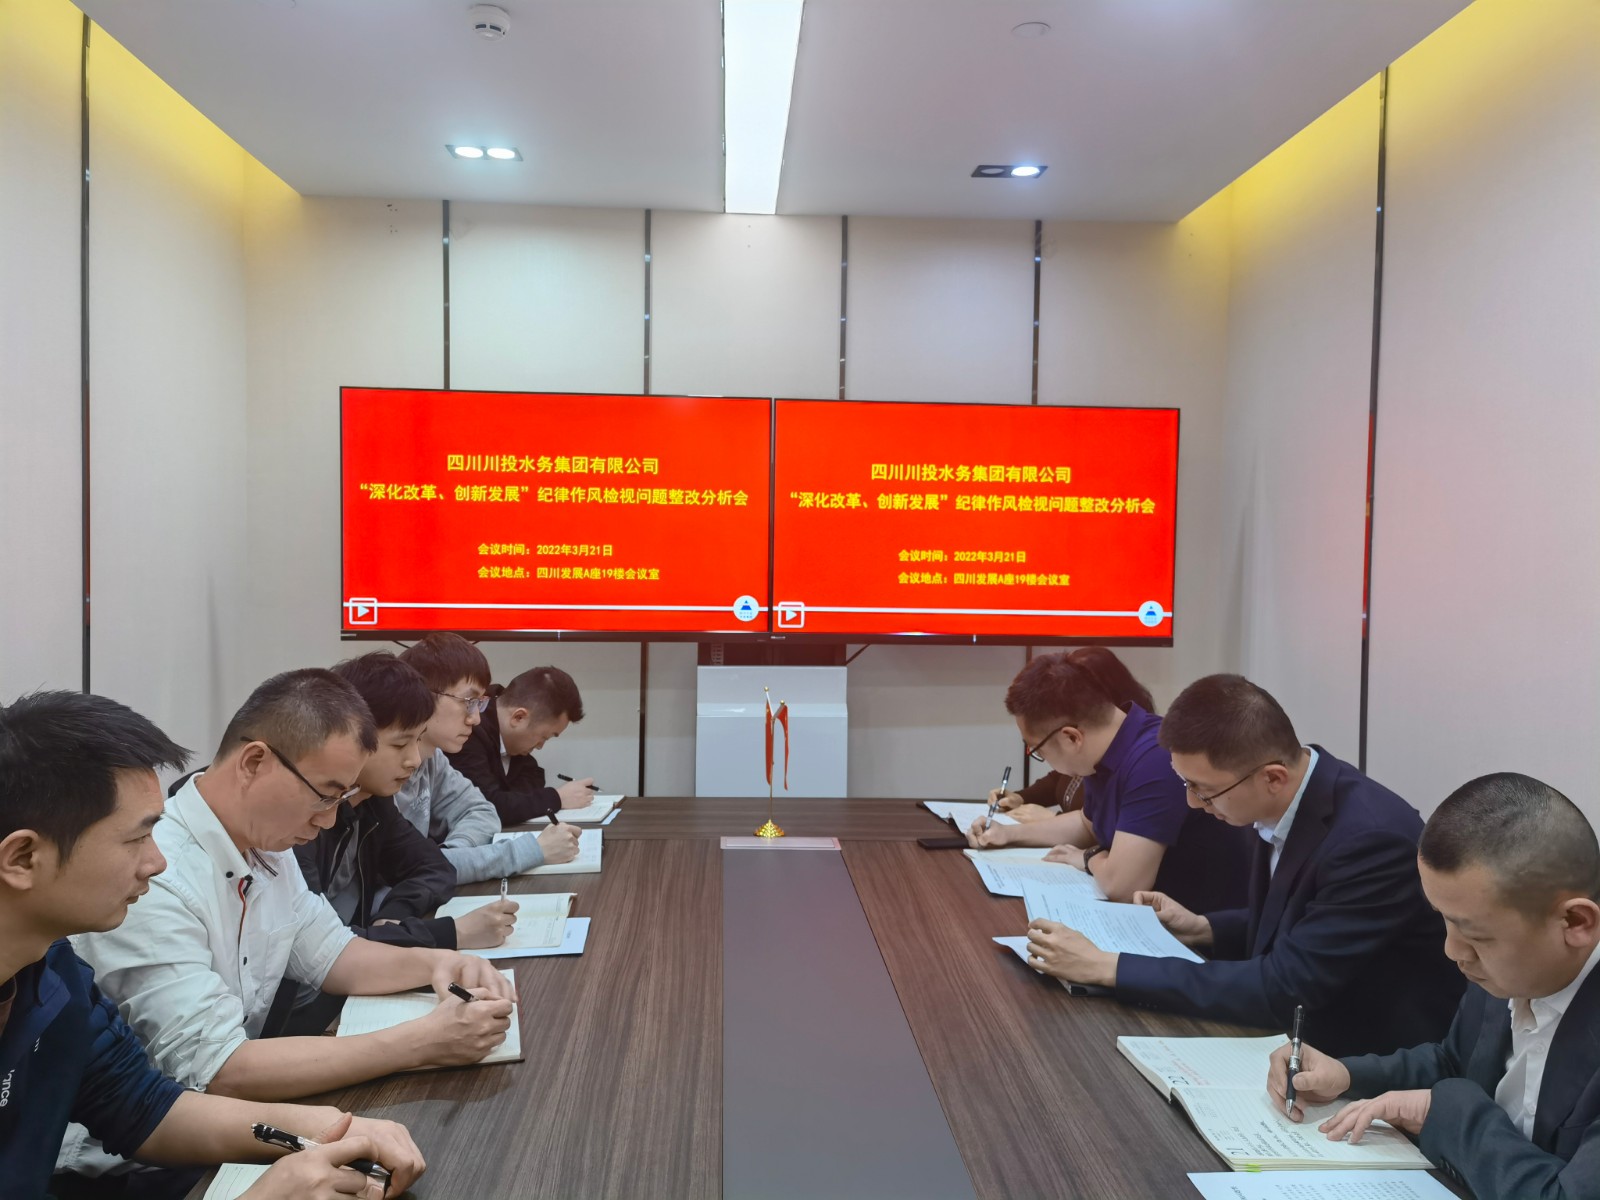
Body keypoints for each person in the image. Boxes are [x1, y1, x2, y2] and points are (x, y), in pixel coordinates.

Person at [0, 689, 425, 1200]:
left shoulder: (53, 970)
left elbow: (142, 1106)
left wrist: (330, 1129)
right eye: (136, 839)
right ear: (22, 859)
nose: (157, 862)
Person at [72, 669, 516, 1107]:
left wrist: (442, 963)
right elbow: (219, 1070)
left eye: (340, 799)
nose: (329, 819)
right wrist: (421, 1043)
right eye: (324, 795)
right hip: (154, 1141)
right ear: (254, 762)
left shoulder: (268, 846)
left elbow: (336, 955)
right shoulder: (156, 877)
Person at [1025, 673, 1463, 1057]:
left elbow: (1285, 987)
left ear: (1273, 777)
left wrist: (1108, 967)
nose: (1192, 803)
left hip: (1363, 1057)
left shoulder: (1370, 841)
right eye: (1186, 784)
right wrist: (1203, 927)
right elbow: (1298, 919)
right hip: (1294, 1031)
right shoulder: (1281, 795)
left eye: (1203, 789)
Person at [1267, 773, 1600, 1198]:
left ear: (1575, 922)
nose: (1452, 950)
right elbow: (1455, 1062)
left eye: (1475, 934)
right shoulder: (1506, 966)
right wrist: (1347, 1075)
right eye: (1443, 918)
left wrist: (1443, 1111)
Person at [269, 653, 519, 1039]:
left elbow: (435, 867)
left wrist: (394, 919)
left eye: (418, 741)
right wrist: (451, 933)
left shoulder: (372, 801)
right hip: (298, 1013)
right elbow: (327, 947)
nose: (414, 760)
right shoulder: (292, 824)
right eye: (401, 743)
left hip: (338, 985)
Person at [968, 649, 1253, 909]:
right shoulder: (1105, 749)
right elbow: (1087, 825)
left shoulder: (1155, 759)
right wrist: (1009, 834)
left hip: (1195, 929)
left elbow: (1123, 887)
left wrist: (1088, 858)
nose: (1040, 757)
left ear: (1071, 738)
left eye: (1037, 750)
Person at [396, 634, 579, 883]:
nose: (476, 719)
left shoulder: (433, 758)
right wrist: (531, 851)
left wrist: (453, 857)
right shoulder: (379, 774)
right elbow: (412, 871)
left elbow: (483, 811)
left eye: (478, 704)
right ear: (423, 695)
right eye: (468, 702)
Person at [990, 647, 1150, 824]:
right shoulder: (1091, 758)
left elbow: (1099, 830)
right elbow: (1087, 823)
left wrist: (1053, 820)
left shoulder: (1143, 762)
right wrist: (1021, 799)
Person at [446, 665, 595, 826]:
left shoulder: (510, 740)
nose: (540, 746)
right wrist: (557, 798)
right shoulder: (468, 732)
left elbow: (534, 776)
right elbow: (487, 806)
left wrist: (510, 801)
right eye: (543, 737)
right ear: (518, 717)